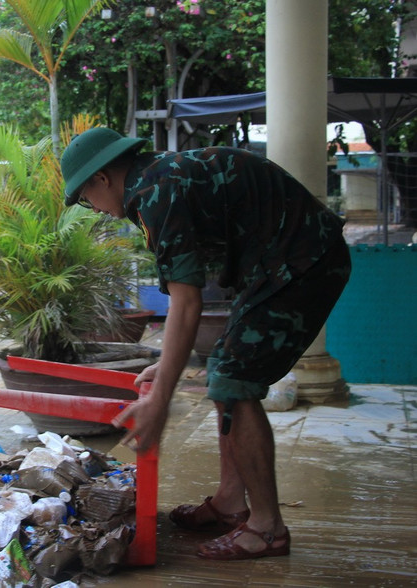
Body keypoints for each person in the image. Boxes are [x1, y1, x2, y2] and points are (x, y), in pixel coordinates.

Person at [60, 128, 351, 561]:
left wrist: (160, 399)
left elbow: (187, 301)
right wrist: (168, 367)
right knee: (225, 373)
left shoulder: (157, 193)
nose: (95, 209)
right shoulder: (159, 178)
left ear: (102, 178)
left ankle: (267, 528)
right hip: (281, 263)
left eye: (85, 197)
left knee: (234, 381)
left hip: (303, 261)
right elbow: (188, 297)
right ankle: (232, 504)